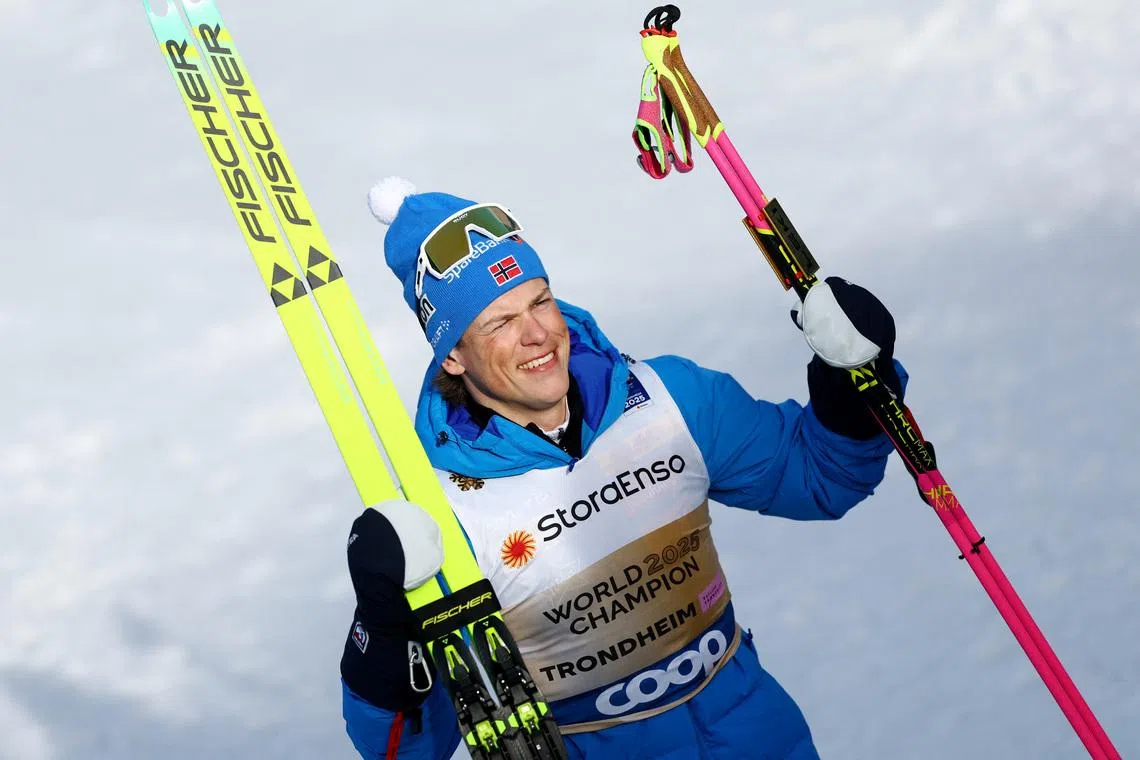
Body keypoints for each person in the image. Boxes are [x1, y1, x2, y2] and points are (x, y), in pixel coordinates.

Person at [339, 177, 907, 760]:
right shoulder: (444, 512)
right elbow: (401, 749)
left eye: (540, 301)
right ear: (453, 354)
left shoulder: (669, 399)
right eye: (500, 322)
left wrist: (851, 381)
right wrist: (384, 627)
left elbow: (821, 477)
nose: (538, 334)